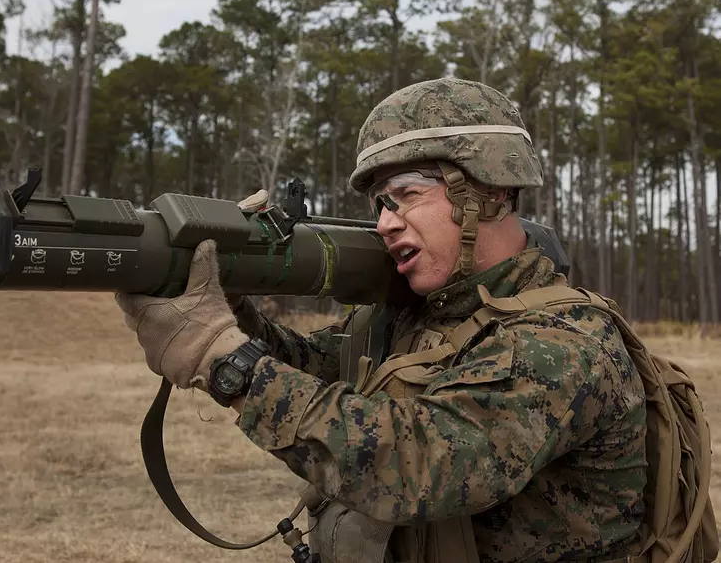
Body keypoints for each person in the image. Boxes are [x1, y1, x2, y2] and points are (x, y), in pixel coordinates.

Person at [115, 77, 648, 563]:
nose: (386, 223)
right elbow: (311, 366)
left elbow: (418, 464)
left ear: (488, 191)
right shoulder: (421, 316)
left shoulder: (563, 344)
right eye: (380, 205)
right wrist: (228, 308)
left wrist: (226, 362)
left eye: (407, 195)